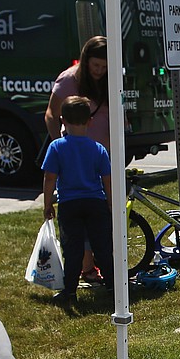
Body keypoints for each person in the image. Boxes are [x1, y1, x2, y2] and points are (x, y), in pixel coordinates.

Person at [45, 35, 110, 284]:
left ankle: (102, 264)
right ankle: (87, 267)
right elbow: (51, 113)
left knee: (98, 218)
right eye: (95, 66)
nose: (99, 71)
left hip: (101, 155)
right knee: (78, 224)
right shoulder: (68, 80)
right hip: (75, 160)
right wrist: (59, 146)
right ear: (85, 61)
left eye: (104, 67)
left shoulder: (108, 80)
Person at [41, 95, 113, 305]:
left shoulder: (56, 147)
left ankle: (69, 291)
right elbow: (106, 179)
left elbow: (49, 178)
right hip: (95, 202)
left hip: (69, 204)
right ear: (90, 121)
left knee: (72, 249)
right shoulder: (98, 148)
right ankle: (112, 286)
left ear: (62, 120)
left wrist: (47, 204)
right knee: (102, 246)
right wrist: (109, 202)